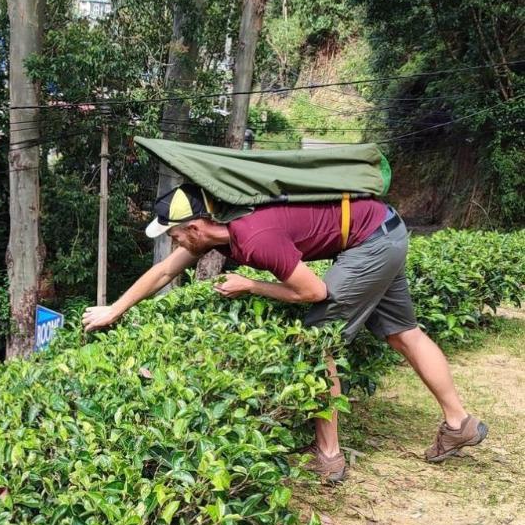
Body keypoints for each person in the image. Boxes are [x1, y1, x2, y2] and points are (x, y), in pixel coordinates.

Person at [82, 184, 487, 482]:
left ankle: (329, 456)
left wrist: (252, 285)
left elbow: (314, 291)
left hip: (370, 243)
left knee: (316, 340)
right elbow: (165, 272)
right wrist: (114, 310)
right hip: (385, 228)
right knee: (402, 332)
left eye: (173, 233)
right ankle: (459, 423)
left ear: (196, 227)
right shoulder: (218, 230)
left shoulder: (256, 237)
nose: (173, 241)